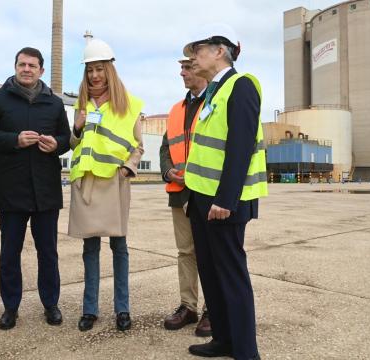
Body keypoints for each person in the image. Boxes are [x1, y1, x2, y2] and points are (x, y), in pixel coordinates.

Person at [182, 26, 267, 360]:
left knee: (231, 274)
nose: (192, 57)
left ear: (220, 51)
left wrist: (225, 200)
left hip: (225, 200)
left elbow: (240, 146)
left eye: (198, 50)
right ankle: (224, 339)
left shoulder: (241, 85)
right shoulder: (213, 93)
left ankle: (246, 351)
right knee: (211, 272)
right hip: (202, 197)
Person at [0, 47, 70, 331]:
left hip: (46, 189)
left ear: (41, 70)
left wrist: (58, 144)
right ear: (15, 66)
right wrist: (14, 140)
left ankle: (51, 304)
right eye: (22, 64)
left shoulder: (54, 104)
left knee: (48, 252)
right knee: (10, 253)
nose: (27, 69)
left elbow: (66, 138)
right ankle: (10, 308)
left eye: (32, 65)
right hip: (11, 189)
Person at [68, 38, 144, 332]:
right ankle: (90, 310)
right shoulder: (80, 104)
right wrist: (77, 126)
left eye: (99, 69)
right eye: (90, 70)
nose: (94, 75)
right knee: (90, 248)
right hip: (86, 181)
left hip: (114, 182)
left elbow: (138, 145)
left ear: (109, 70)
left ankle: (122, 309)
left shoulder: (130, 104)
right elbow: (74, 143)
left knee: (119, 246)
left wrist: (129, 168)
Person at [159, 57, 211, 337]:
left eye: (188, 67)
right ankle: (188, 306)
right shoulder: (176, 109)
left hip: (207, 191)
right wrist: (168, 172)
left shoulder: (215, 103)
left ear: (202, 68)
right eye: (180, 67)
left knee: (211, 253)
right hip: (180, 192)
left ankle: (213, 308)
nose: (182, 72)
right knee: (185, 252)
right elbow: (166, 147)